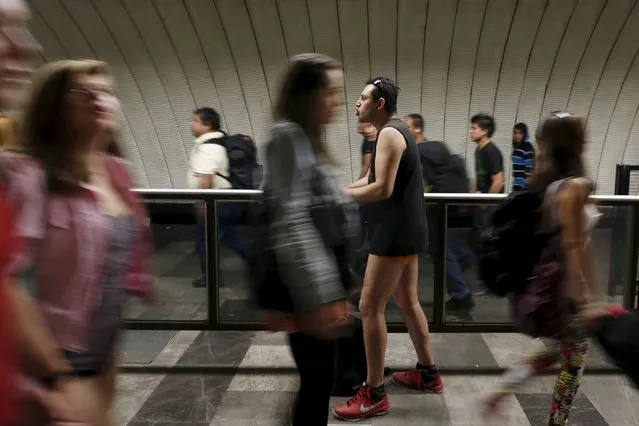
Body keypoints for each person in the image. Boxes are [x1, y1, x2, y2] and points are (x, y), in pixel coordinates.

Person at [4, 59, 154, 425]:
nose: (97, 99)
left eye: (105, 91)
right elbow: (8, 279)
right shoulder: (28, 177)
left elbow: (114, 275)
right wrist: (55, 376)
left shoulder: (117, 172)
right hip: (48, 360)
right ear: (53, 108)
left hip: (101, 353)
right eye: (80, 92)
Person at [332, 78, 442, 422]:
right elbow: (370, 180)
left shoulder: (390, 134)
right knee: (407, 302)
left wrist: (341, 196)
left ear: (379, 104)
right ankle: (428, 373)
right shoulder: (393, 131)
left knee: (369, 306)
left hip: (394, 236)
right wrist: (340, 190)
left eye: (363, 98)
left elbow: (381, 188)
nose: (356, 104)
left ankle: (374, 393)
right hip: (406, 232)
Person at [264, 53, 358, 426]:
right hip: (311, 293)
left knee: (319, 379)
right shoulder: (287, 137)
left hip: (323, 287)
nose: (337, 102)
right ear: (307, 94)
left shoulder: (306, 140)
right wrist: (321, 296)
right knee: (318, 381)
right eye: (331, 92)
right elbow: (290, 222)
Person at [484, 112, 595, 426]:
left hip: (547, 282)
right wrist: (583, 298)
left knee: (558, 352)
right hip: (562, 287)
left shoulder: (549, 184)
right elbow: (574, 248)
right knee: (574, 357)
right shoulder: (574, 186)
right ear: (572, 143)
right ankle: (556, 421)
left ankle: (504, 389)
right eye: (581, 131)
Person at [404, 113, 475, 311]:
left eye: (406, 126)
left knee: (440, 248)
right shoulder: (437, 146)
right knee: (445, 242)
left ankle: (461, 294)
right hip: (448, 203)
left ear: (417, 129)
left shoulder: (417, 152)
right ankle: (464, 258)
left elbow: (419, 184)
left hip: (434, 205)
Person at [469, 113, 503, 295]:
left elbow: (498, 180)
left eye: (474, 128)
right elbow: (479, 177)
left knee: (488, 244)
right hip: (481, 204)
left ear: (485, 131)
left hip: (490, 207)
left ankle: (488, 283)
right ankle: (485, 280)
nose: (471, 131)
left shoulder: (491, 151)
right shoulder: (479, 150)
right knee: (480, 243)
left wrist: (485, 202)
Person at [512, 122, 535, 192]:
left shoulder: (527, 147)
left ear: (524, 134)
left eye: (520, 133)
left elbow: (530, 168)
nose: (517, 136)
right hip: (516, 186)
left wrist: (524, 186)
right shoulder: (517, 148)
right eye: (515, 133)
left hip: (523, 189)